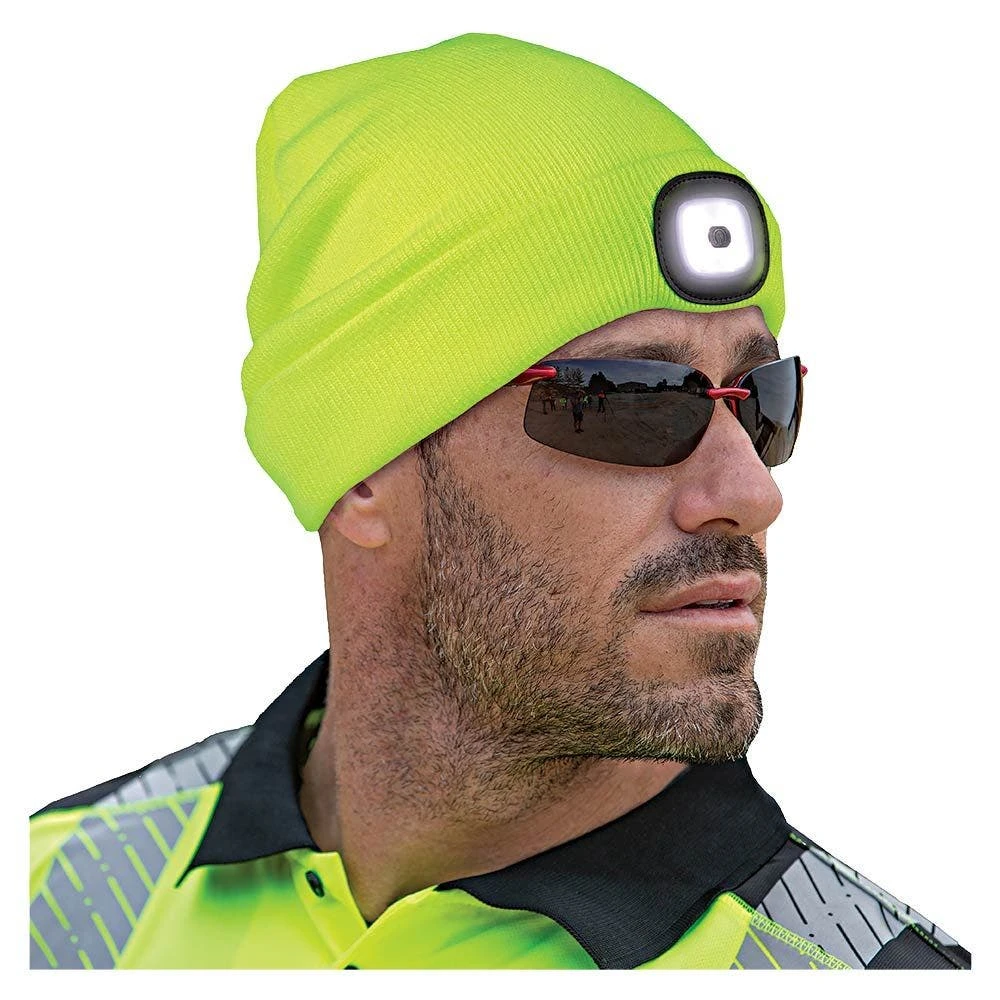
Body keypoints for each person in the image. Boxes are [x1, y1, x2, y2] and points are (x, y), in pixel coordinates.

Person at [28, 32, 969, 971]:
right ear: (365, 471)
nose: (752, 492)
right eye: (634, 400)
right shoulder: (56, 896)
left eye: (762, 401)